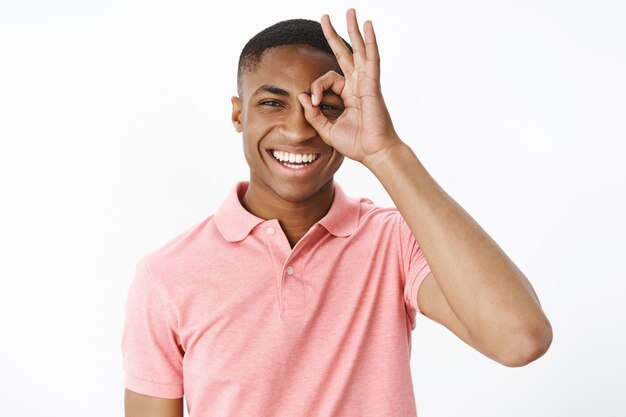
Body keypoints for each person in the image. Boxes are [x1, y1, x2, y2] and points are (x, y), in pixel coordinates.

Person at [122, 9, 552, 417]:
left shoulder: (393, 242)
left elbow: (520, 339)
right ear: (238, 114)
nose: (299, 129)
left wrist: (385, 151)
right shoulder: (166, 274)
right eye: (274, 103)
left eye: (325, 106)